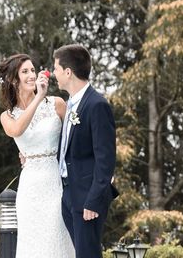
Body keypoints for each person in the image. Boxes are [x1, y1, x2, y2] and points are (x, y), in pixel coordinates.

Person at [0, 53, 75, 258]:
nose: (31, 75)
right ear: (14, 80)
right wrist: (38, 97)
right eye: (25, 71)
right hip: (30, 189)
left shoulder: (57, 104)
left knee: (58, 241)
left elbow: (75, 138)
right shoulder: (7, 116)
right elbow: (17, 130)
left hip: (55, 183)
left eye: (32, 70)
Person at [54, 44, 118, 258]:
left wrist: (94, 200)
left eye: (56, 68)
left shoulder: (96, 105)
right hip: (69, 195)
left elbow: (105, 160)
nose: (54, 73)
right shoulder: (71, 104)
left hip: (87, 198)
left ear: (68, 72)